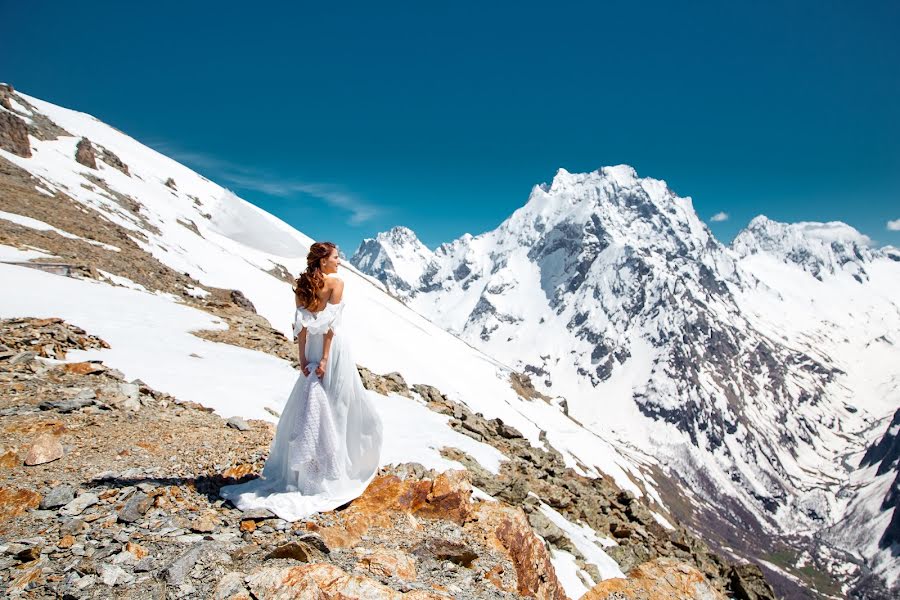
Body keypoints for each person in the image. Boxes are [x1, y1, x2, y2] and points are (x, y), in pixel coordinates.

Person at [220, 242, 383, 521]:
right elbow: (331, 326)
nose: (339, 262)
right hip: (332, 351)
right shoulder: (336, 284)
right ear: (322, 261)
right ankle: (331, 472)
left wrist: (303, 358)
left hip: (311, 349)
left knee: (309, 405)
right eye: (335, 257)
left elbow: (302, 328)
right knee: (336, 405)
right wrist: (325, 359)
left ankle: (306, 471)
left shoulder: (302, 285)